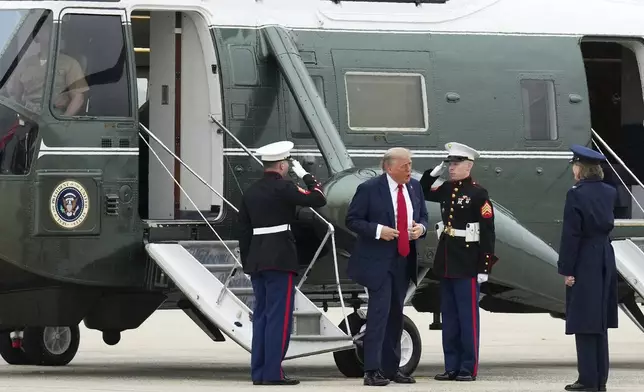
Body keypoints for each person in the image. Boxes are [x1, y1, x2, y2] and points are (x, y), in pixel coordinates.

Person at [237, 140, 327, 386]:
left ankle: (260, 373)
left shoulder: (251, 191)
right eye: (287, 163)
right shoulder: (284, 187)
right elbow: (318, 199)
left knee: (263, 317)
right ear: (281, 165)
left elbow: (243, 231)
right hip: (280, 258)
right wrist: (307, 176)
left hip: (257, 259)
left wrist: (248, 262)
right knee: (280, 317)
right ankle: (273, 373)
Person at [345, 147, 429, 386]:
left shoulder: (414, 187)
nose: (409, 170)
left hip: (404, 259)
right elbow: (352, 220)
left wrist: (420, 229)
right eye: (405, 166)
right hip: (378, 262)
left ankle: (392, 369)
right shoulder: (370, 189)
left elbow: (423, 216)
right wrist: (379, 231)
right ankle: (371, 370)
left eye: (411, 165)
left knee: (396, 315)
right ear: (389, 167)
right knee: (379, 314)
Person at [419, 142, 498, 382]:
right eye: (450, 164)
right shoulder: (446, 188)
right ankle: (451, 365)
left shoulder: (478, 193)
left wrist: (484, 266)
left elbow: (487, 231)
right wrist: (434, 172)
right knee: (449, 317)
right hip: (448, 259)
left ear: (469, 166)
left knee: (467, 317)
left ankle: (467, 367)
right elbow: (422, 191)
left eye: (456, 164)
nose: (451, 168)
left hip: (467, 261)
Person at [557, 144, 618, 392]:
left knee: (583, 320)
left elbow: (571, 234)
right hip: (604, 255)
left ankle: (587, 379)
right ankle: (600, 379)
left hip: (585, 259)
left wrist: (567, 269)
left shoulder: (576, 194)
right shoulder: (609, 191)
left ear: (581, 168)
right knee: (600, 322)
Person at [8, 18, 88, 116]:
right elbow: (16, 97)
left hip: (55, 117)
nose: (50, 33)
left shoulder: (70, 63)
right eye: (45, 29)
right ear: (37, 35)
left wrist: (62, 122)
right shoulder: (25, 65)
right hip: (29, 117)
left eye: (53, 29)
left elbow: (78, 98)